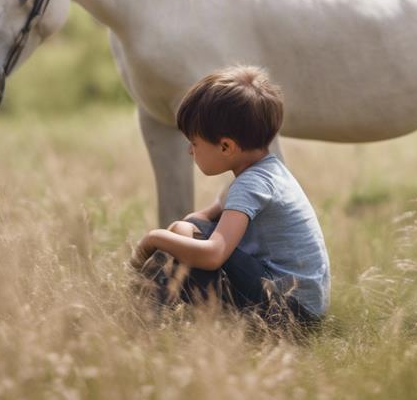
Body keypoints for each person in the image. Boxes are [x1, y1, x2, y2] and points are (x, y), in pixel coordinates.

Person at [130, 65, 330, 328]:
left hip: (289, 312)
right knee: (189, 233)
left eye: (195, 142)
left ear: (226, 146)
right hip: (304, 305)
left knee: (187, 249)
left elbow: (214, 254)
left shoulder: (250, 185)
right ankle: (145, 315)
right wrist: (182, 228)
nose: (190, 150)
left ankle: (141, 325)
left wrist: (154, 238)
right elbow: (200, 220)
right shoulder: (269, 171)